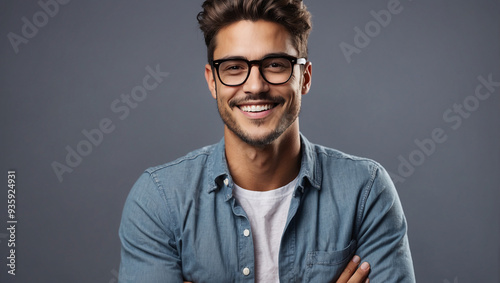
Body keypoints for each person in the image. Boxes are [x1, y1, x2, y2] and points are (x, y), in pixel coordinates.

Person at [118, 0, 416, 282]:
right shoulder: (159, 200)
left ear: (305, 78)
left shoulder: (365, 191)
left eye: (275, 64)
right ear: (212, 81)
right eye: (234, 67)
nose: (255, 85)